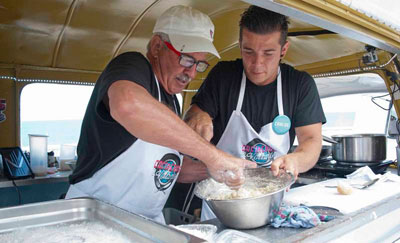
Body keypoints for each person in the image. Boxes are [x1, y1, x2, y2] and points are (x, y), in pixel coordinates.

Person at [65, 5, 255, 224]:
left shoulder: (172, 101)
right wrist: (213, 156)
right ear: (157, 47)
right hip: (96, 220)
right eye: (186, 59)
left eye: (199, 64)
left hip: (146, 223)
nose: (191, 73)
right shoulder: (133, 66)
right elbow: (128, 105)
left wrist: (218, 169)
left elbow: (169, 168)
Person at [184, 5, 326, 221]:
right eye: (248, 51)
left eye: (268, 53)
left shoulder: (299, 84)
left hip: (271, 202)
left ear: (283, 50)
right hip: (221, 204)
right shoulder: (224, 76)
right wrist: (199, 117)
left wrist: (296, 160)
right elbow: (194, 117)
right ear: (240, 46)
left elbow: (312, 140)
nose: (257, 64)